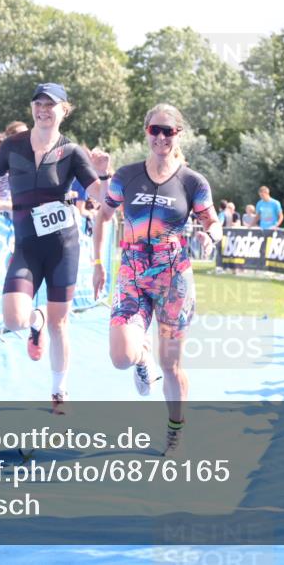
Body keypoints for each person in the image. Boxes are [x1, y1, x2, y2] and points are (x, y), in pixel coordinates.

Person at [0, 83, 111, 413]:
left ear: (65, 110)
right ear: (32, 108)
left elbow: (103, 199)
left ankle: (58, 390)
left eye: (51, 105)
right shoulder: (12, 146)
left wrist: (104, 172)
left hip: (63, 247)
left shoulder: (72, 152)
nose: (44, 109)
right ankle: (33, 321)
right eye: (38, 103)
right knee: (14, 319)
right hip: (26, 246)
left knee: (60, 323)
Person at [91, 103, 222, 457]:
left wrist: (210, 236)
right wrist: (97, 263)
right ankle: (141, 358)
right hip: (132, 277)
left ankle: (175, 429)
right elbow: (103, 215)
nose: (161, 137)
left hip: (173, 282)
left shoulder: (193, 182)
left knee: (173, 366)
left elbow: (212, 221)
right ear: (146, 131)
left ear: (178, 134)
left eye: (169, 131)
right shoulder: (127, 176)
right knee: (121, 357)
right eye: (155, 130)